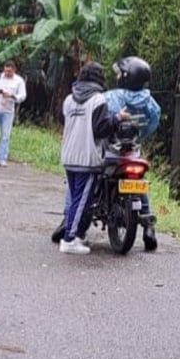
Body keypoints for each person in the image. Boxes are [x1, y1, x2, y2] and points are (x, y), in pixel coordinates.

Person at [57, 61, 131, 255]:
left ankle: (77, 235)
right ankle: (69, 240)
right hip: (87, 157)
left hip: (69, 155)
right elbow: (101, 129)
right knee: (82, 202)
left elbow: (61, 120)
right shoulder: (98, 100)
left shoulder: (68, 99)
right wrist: (117, 119)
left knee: (76, 199)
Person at [104, 56, 162, 249]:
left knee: (94, 176)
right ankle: (149, 226)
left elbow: (102, 119)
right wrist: (140, 137)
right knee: (137, 184)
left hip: (112, 150)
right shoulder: (149, 101)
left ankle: (76, 220)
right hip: (133, 152)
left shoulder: (113, 97)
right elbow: (152, 123)